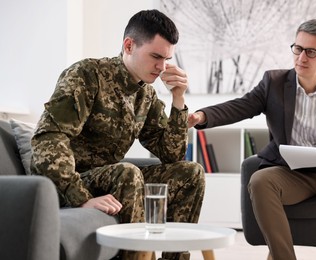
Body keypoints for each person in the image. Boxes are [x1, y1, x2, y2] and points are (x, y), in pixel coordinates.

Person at [188, 19, 316, 260]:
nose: (301, 58)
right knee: (260, 180)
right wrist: (201, 115)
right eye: (298, 48)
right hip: (290, 175)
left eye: (312, 52)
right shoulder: (273, 83)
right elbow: (241, 106)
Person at [31, 9, 205, 260]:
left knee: (191, 173)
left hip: (111, 179)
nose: (162, 67)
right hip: (65, 182)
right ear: (129, 45)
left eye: (166, 59)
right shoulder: (86, 75)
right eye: (156, 56)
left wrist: (178, 100)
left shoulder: (146, 94)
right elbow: (48, 140)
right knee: (127, 172)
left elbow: (172, 154)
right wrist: (80, 197)